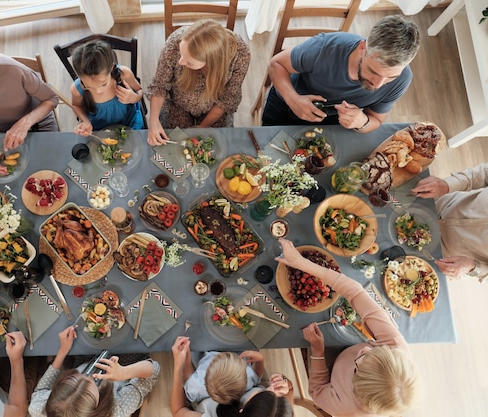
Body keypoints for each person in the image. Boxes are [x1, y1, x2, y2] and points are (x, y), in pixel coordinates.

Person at [275, 239, 420, 417]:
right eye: (374, 350)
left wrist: (317, 350)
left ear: (356, 386)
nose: (365, 348)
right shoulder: (396, 350)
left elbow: (317, 390)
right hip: (346, 352)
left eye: (360, 363)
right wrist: (302, 263)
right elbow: (356, 292)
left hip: (330, 368)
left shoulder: (346, 407)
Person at [262, 15, 420, 133]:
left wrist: (362, 122)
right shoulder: (323, 49)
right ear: (362, 48)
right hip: (287, 107)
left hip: (332, 125)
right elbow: (276, 64)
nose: (378, 85)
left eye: (390, 78)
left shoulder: (403, 79)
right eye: (373, 71)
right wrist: (293, 100)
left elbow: (376, 119)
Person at [147, 19, 250, 146]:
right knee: (172, 148)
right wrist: (153, 121)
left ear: (211, 62)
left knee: (217, 147)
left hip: (215, 108)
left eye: (189, 62)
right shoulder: (175, 42)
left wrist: (203, 127)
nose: (180, 62)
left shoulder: (240, 54)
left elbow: (227, 99)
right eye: (181, 54)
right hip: (177, 105)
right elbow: (159, 85)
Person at [29, 325, 160, 417]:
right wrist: (124, 373)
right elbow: (154, 369)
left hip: (83, 360)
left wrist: (62, 351)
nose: (90, 374)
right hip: (126, 366)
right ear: (96, 408)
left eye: (75, 377)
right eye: (93, 384)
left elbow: (42, 389)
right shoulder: (117, 411)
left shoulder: (38, 408)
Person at [170, 336, 293, 417]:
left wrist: (178, 365)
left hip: (208, 381)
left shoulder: (203, 399)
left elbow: (178, 410)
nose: (271, 388)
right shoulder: (279, 411)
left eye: (265, 393)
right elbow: (290, 391)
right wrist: (286, 384)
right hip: (240, 364)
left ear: (242, 410)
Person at [410, 162, 488, 281]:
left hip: (441, 255)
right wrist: (447, 184)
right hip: (439, 203)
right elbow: (483, 173)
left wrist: (473, 267)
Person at [70, 40, 144, 134]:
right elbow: (76, 105)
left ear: (111, 68)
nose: (98, 91)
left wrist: (134, 97)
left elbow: (139, 90)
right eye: (88, 87)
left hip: (129, 123)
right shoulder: (77, 89)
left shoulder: (124, 74)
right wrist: (85, 121)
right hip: (98, 129)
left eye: (103, 84)